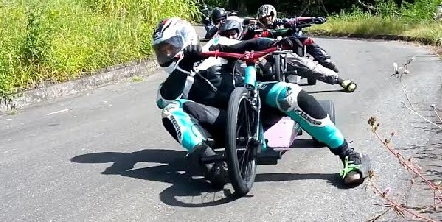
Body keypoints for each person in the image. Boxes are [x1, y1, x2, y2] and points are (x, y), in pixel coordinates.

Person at [151, 17, 368, 189]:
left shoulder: (217, 45)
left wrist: (277, 42)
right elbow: (166, 100)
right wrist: (185, 65)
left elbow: (250, 43)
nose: (166, 54)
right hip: (220, 123)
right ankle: (211, 163)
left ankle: (349, 155)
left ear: (186, 39)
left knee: (288, 93)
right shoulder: (174, 81)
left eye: (170, 48)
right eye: (161, 51)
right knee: (171, 109)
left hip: (256, 108)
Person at [251, 4, 357, 92]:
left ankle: (338, 78)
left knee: (308, 59)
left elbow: (297, 20)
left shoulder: (283, 23)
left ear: (273, 14)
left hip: (288, 53)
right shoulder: (255, 29)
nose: (266, 20)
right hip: (266, 56)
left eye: (268, 16)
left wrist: (313, 19)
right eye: (263, 18)